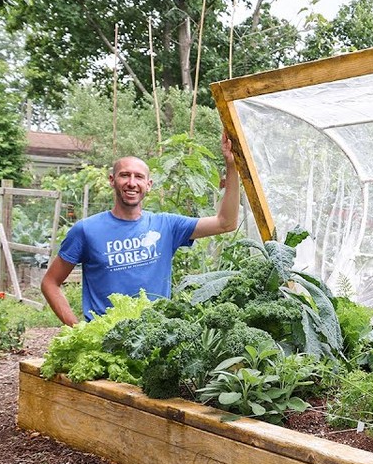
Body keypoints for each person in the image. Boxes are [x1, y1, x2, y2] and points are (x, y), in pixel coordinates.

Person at [41, 132, 242, 326]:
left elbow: (226, 222)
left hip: (154, 338)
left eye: (138, 177)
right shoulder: (86, 230)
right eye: (124, 175)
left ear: (149, 184)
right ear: (112, 181)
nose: (131, 183)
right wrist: (78, 329)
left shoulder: (167, 225)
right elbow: (50, 282)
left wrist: (231, 165)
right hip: (105, 343)